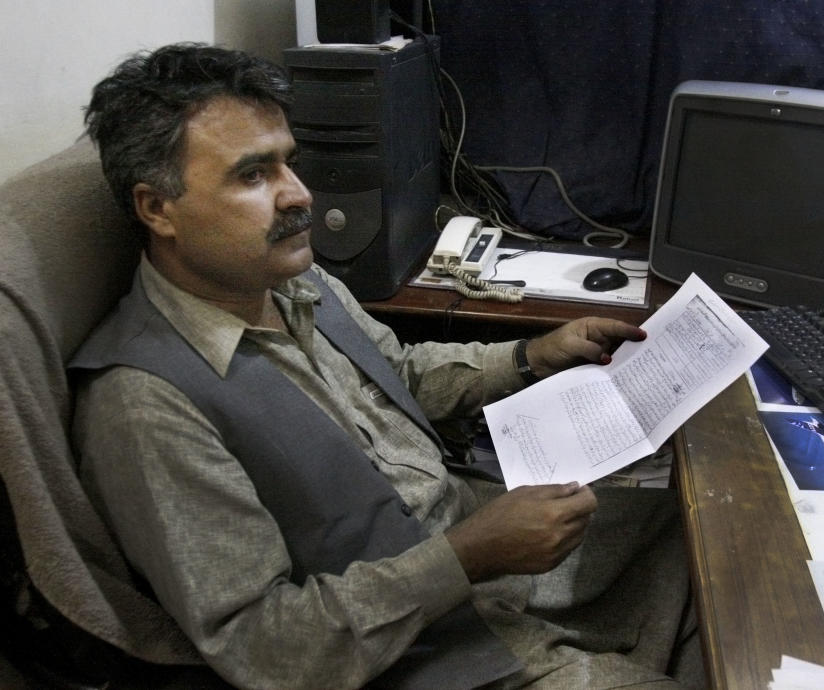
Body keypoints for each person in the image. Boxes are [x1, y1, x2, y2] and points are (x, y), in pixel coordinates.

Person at [70, 43, 702, 689]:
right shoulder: (144, 405)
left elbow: (394, 371)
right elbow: (264, 646)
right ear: (157, 208)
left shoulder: (292, 278)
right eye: (252, 175)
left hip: (481, 553)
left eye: (290, 162)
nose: (299, 195)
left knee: (705, 535)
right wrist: (467, 557)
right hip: (418, 645)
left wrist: (528, 355)